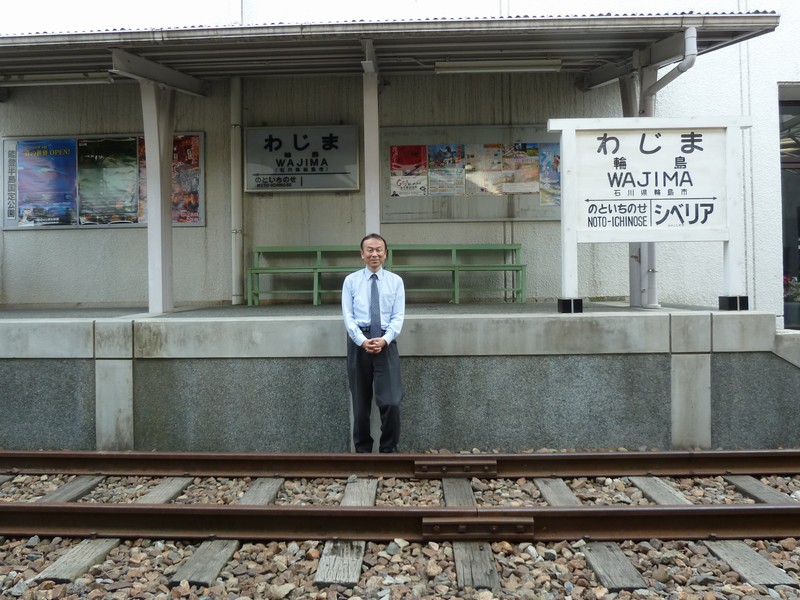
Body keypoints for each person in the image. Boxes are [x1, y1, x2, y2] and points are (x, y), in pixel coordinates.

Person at [342, 233, 405, 453]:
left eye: (379, 249)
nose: (374, 254)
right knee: (360, 404)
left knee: (391, 401)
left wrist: (385, 340)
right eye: (369, 250)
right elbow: (348, 317)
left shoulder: (396, 282)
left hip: (386, 343)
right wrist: (361, 340)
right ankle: (362, 452)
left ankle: (389, 451)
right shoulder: (351, 281)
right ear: (362, 254)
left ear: (385, 254)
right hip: (359, 343)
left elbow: (398, 317)